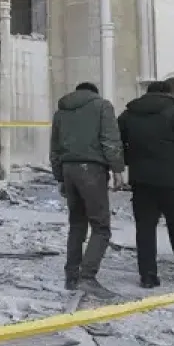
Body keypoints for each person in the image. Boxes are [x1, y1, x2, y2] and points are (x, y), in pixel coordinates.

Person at [118, 81, 174, 288]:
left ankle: (148, 275)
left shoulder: (128, 115)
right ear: (167, 94)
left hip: (141, 180)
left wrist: (128, 160)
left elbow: (116, 142)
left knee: (145, 228)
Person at [50, 82, 125, 298]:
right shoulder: (102, 106)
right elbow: (110, 140)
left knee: (77, 224)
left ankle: (71, 276)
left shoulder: (61, 112)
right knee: (101, 227)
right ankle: (88, 278)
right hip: (91, 170)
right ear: (94, 93)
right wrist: (118, 169)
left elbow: (54, 148)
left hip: (68, 169)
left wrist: (60, 177)